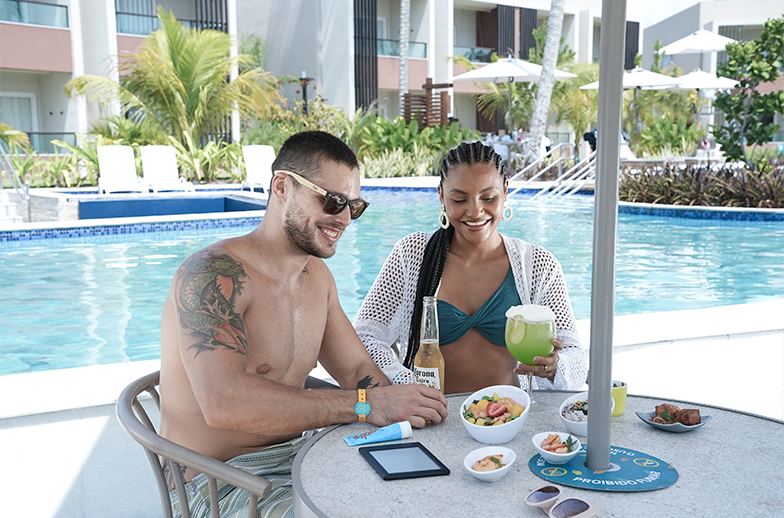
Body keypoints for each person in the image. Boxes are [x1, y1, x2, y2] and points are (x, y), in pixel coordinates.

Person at [159, 131, 448, 517]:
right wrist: (365, 405)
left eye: (354, 206)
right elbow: (223, 403)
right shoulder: (213, 275)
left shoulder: (317, 279)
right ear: (283, 186)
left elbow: (357, 370)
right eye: (332, 201)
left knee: (428, 496)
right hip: (220, 483)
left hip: (303, 460)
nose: (344, 218)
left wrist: (405, 410)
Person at [354, 141, 587, 394]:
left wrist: (555, 366)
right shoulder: (413, 254)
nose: (475, 211)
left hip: (511, 418)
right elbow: (364, 338)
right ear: (442, 196)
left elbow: (575, 357)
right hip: (432, 421)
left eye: (488, 197)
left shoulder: (539, 266)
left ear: (506, 191)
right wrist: (404, 381)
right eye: (459, 199)